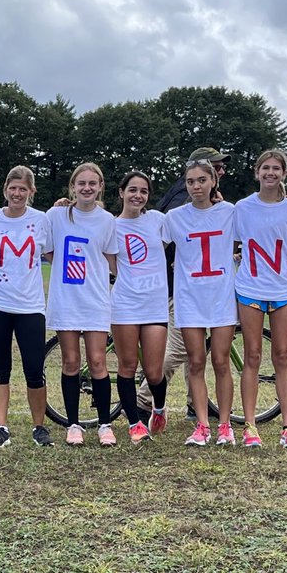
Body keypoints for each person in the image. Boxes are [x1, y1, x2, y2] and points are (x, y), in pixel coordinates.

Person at [137, 146, 230, 423]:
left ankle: (194, 405)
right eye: (218, 166)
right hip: (182, 288)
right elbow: (165, 239)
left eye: (220, 169)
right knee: (177, 351)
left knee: (196, 357)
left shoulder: (221, 206)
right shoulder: (183, 201)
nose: (222, 171)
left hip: (203, 288)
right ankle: (144, 400)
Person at [0, 166, 54, 447]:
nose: (17, 193)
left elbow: (53, 254)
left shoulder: (41, 220)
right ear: (5, 190)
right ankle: (1, 427)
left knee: (34, 369)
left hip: (30, 307)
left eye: (23, 189)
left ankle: (39, 427)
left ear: (31, 191)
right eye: (13, 188)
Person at [165, 159, 237, 446]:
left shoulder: (230, 212)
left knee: (220, 361)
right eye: (191, 181)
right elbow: (142, 229)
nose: (196, 186)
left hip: (220, 296)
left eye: (201, 180)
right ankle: (202, 426)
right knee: (195, 362)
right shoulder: (174, 217)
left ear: (213, 182)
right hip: (189, 298)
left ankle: (225, 425)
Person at [46, 162, 118, 445]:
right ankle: (73, 424)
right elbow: (50, 250)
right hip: (66, 299)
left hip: (95, 300)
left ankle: (104, 424)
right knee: (71, 361)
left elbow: (111, 259)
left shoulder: (107, 219)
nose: (86, 188)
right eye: (81, 183)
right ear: (73, 187)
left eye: (92, 183)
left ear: (100, 187)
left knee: (98, 361)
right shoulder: (56, 215)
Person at [234, 150, 287, 448]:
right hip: (249, 288)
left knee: (282, 356)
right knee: (252, 356)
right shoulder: (242, 207)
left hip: (283, 290)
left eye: (276, 168)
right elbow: (234, 242)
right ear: (257, 172)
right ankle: (250, 426)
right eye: (265, 168)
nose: (270, 173)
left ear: (284, 174)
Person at [109, 170, 169, 444]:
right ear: (121, 192)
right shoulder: (110, 225)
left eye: (143, 191)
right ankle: (135, 424)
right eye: (132, 190)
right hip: (124, 304)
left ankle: (158, 408)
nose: (138, 195)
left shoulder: (158, 220)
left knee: (155, 371)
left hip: (155, 305)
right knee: (128, 365)